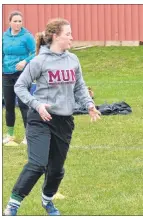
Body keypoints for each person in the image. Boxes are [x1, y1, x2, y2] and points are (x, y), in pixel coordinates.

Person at [3, 18, 101, 216]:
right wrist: (37, 105)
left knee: (56, 170)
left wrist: (89, 104)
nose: (72, 37)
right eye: (68, 34)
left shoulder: (73, 60)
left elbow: (80, 86)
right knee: (37, 164)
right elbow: (20, 86)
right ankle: (12, 206)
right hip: (40, 119)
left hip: (64, 121)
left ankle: (47, 201)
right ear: (55, 36)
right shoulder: (39, 61)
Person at [2, 11, 36, 146]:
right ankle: (10, 135)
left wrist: (25, 61)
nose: (17, 24)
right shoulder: (4, 36)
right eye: (15, 21)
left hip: (22, 75)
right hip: (6, 74)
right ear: (9, 22)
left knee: (23, 105)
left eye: (20, 21)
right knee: (9, 105)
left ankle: (28, 136)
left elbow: (35, 53)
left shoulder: (27, 36)